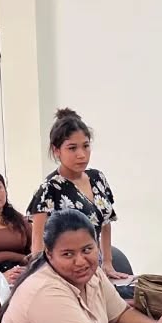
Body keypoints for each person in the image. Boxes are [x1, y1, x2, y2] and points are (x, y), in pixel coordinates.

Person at [0, 211, 162, 323]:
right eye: (68, 254)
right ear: (49, 254)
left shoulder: (93, 273)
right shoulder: (44, 289)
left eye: (87, 250)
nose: (80, 261)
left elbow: (120, 315)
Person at [27, 107, 131, 281]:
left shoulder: (97, 178)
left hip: (94, 267)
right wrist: (43, 279)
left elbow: (106, 223)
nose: (81, 155)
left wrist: (107, 262)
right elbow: (38, 242)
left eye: (86, 146)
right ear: (56, 150)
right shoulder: (50, 188)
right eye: (72, 148)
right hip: (65, 272)